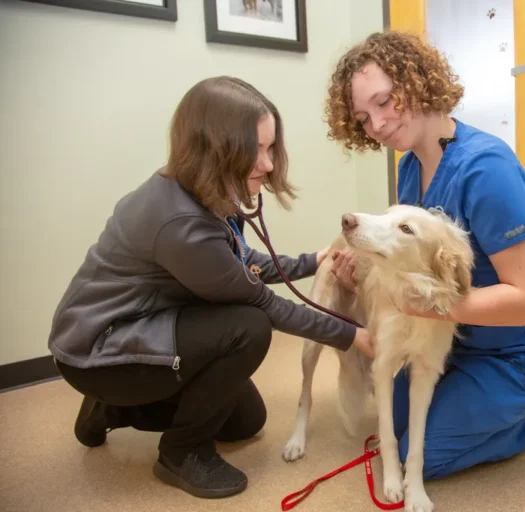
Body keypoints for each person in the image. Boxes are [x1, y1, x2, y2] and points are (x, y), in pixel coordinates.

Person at [48, 76, 375, 499]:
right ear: (214, 147)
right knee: (249, 326)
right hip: (99, 349)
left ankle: (111, 408)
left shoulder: (202, 191)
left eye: (270, 147)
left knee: (246, 421)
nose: (270, 164)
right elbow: (261, 301)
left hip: (148, 323)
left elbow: (240, 264)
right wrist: (354, 336)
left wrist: (316, 260)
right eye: (255, 150)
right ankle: (180, 452)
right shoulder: (180, 223)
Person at [324, 31, 525, 481]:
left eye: (383, 101)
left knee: (429, 456)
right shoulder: (411, 167)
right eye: (362, 117)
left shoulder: (487, 170)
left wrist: (423, 306)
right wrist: (367, 276)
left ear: (416, 81)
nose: (375, 124)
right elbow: (419, 268)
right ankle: (495, 396)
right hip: (461, 339)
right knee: (388, 432)